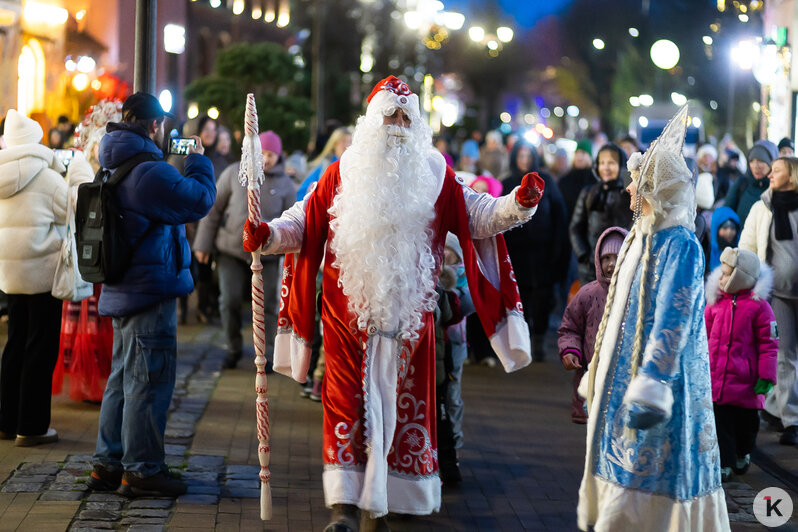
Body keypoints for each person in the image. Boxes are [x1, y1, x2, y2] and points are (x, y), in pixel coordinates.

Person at [243, 75, 542, 531]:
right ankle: (344, 509)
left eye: (407, 116)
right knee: (345, 408)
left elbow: (479, 215)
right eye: (390, 115)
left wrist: (518, 204)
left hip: (410, 322)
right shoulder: (343, 170)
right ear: (372, 121)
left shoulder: (436, 173)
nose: (399, 124)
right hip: (346, 319)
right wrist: (269, 234)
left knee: (403, 414)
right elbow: (303, 219)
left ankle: (381, 506)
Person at [577, 107, 729, 531]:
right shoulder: (641, 237)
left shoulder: (679, 244)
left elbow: (674, 316)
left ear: (657, 190)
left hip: (661, 386)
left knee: (659, 469)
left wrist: (654, 380)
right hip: (628, 375)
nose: (628, 190)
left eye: (638, 183)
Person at [86, 92, 216, 497]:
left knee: (122, 377)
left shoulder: (115, 162)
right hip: (149, 291)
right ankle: (141, 470)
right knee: (148, 381)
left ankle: (108, 464)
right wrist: (197, 160)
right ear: (154, 126)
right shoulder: (149, 172)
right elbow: (199, 199)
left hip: (124, 287)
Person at [193, 130, 295, 370]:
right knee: (229, 300)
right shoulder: (234, 173)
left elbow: (292, 219)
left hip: (268, 254)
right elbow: (214, 209)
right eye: (263, 153)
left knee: (268, 304)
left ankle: (268, 352)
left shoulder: (284, 183)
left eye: (272, 154)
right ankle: (233, 347)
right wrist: (202, 244)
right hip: (231, 250)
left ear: (278, 157)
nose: (266, 159)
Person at [0, 109, 67, 446]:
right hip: (42, 273)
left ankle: (5, 420)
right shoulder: (48, 177)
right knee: (40, 347)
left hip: (10, 273)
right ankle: (32, 426)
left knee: (14, 344)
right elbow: (70, 210)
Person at [55, 100, 121, 403]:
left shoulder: (108, 168)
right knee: (92, 316)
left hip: (101, 250)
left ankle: (102, 379)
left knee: (99, 317)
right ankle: (92, 379)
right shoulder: (83, 168)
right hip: (89, 249)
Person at [740, 156, 798, 446]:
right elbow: (747, 248)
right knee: (784, 355)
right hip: (778, 295)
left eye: (777, 170)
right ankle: (791, 421)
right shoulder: (761, 208)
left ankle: (780, 409)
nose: (771, 174)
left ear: (793, 175)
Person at [705, 247, 777, 481]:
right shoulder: (715, 304)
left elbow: (769, 344)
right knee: (721, 425)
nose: (721, 278)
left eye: (727, 274)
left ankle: (743, 452)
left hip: (746, 383)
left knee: (747, 425)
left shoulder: (760, 308)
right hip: (719, 382)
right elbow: (703, 337)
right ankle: (724, 462)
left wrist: (766, 375)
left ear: (741, 276)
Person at [502, 140, 569, 361]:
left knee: (542, 298)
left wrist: (557, 248)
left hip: (543, 253)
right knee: (522, 299)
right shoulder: (508, 183)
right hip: (517, 253)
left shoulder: (546, 181)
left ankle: (539, 340)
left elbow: (559, 216)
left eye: (528, 155)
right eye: (520, 156)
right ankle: (524, 342)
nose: (524, 160)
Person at [558, 227, 626, 424]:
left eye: (618, 257)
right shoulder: (587, 294)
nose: (611, 264)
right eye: (606, 258)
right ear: (598, 259)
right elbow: (570, 327)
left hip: (623, 380)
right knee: (595, 431)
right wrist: (570, 350)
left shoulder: (637, 294)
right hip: (590, 376)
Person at [569, 143, 632, 286]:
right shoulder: (589, 192)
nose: (606, 168)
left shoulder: (630, 194)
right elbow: (575, 227)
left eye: (611, 163)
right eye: (602, 163)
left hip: (624, 269)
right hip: (591, 271)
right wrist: (583, 255)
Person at [725, 140, 778, 225]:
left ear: (772, 163)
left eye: (761, 161)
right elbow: (725, 212)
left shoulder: (778, 188)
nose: (755, 166)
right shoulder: (742, 183)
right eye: (752, 161)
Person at [297, 126, 352, 200]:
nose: (346, 145)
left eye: (349, 142)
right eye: (343, 141)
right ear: (334, 144)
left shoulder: (346, 164)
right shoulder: (328, 164)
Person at [558, 139, 595, 222]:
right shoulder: (565, 180)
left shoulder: (595, 180)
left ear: (590, 156)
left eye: (583, 153)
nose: (579, 156)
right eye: (577, 153)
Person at [709, 207, 741, 271]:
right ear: (715, 230)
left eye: (732, 228)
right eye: (725, 228)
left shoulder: (740, 255)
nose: (729, 232)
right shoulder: (706, 253)